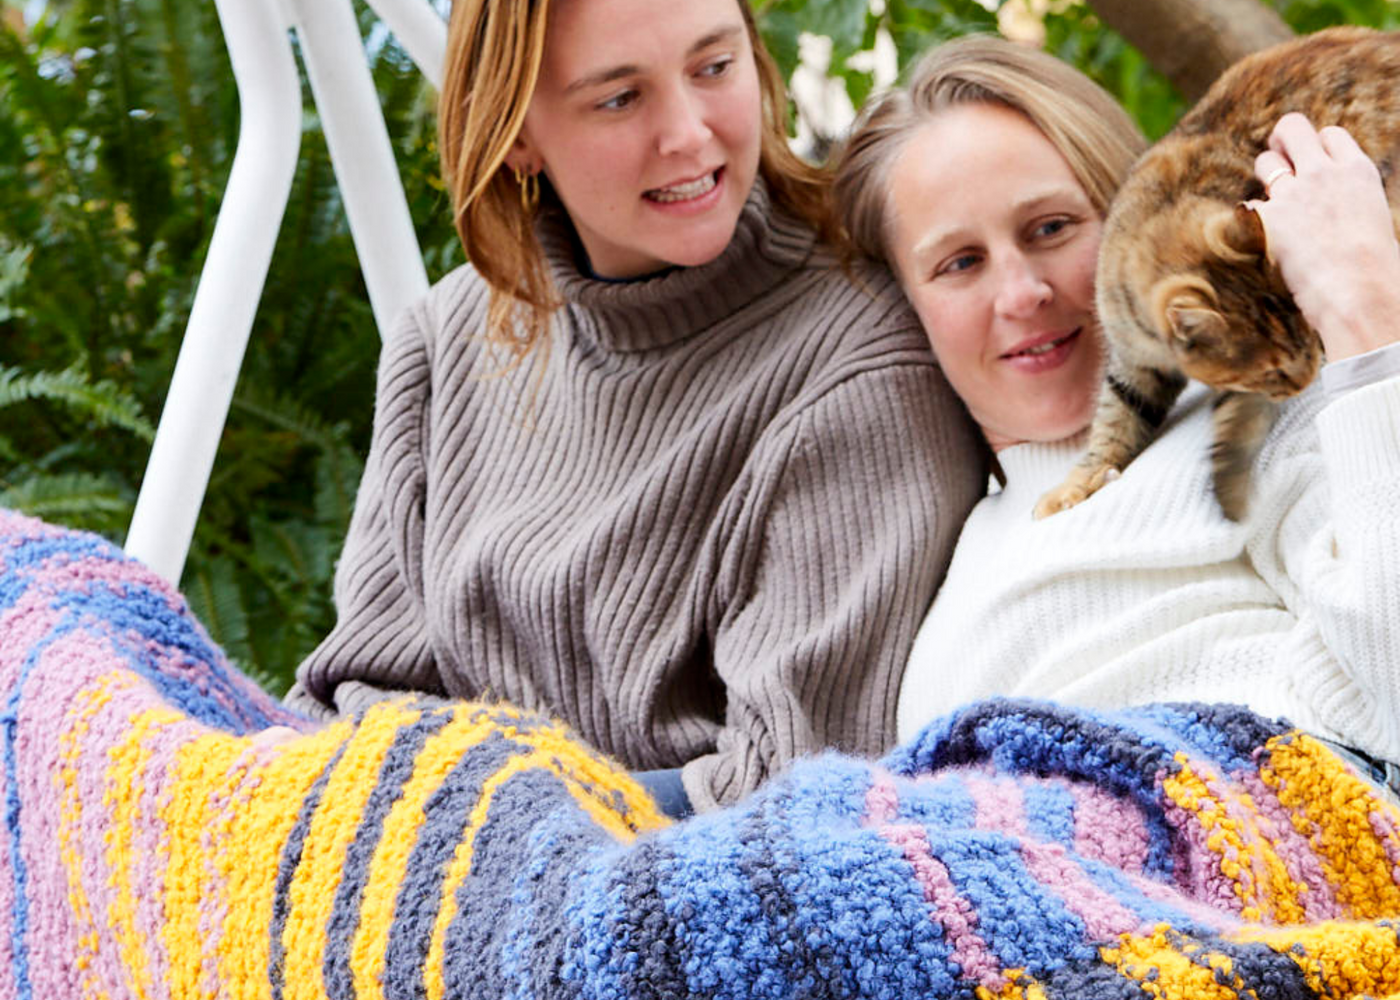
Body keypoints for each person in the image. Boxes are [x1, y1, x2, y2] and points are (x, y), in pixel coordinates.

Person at [288, 0, 987, 817]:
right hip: (427, 882)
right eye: (620, 98)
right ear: (515, 133)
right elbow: (360, 696)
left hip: (682, 911)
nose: (689, 134)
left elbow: (792, 787)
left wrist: (466, 827)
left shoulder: (859, 361)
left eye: (713, 67)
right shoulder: (445, 341)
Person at [833, 34, 1400, 791]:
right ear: (906, 306)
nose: (1023, 292)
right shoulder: (937, 555)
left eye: (1051, 228)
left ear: (1134, 215)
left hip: (1242, 826)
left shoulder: (1262, 420)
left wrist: (1367, 323)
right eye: (960, 263)